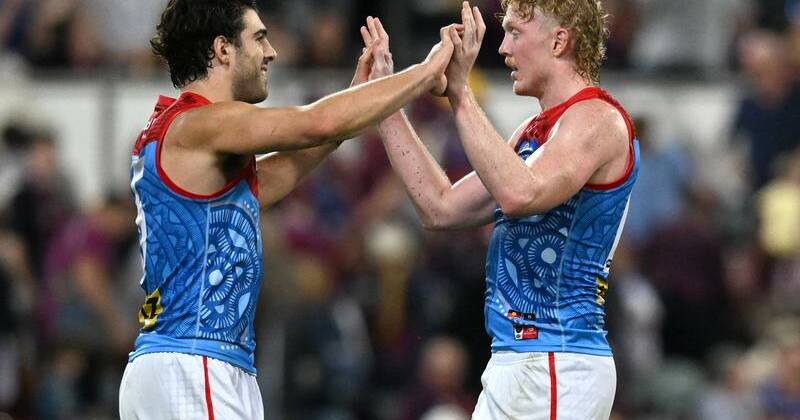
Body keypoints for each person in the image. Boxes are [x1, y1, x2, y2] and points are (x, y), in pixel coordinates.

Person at [117, 0, 455, 418]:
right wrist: (425, 71)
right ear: (223, 49)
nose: (271, 51)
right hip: (195, 362)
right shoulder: (202, 123)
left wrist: (354, 102)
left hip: (185, 361)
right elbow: (316, 123)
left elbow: (281, 172)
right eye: (259, 37)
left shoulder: (186, 135)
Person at [363, 1, 637, 418]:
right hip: (522, 360)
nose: (502, 48)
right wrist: (384, 98)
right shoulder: (533, 133)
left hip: (556, 360)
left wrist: (460, 94)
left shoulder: (597, 119)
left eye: (514, 32)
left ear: (559, 40)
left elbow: (520, 194)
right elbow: (440, 207)